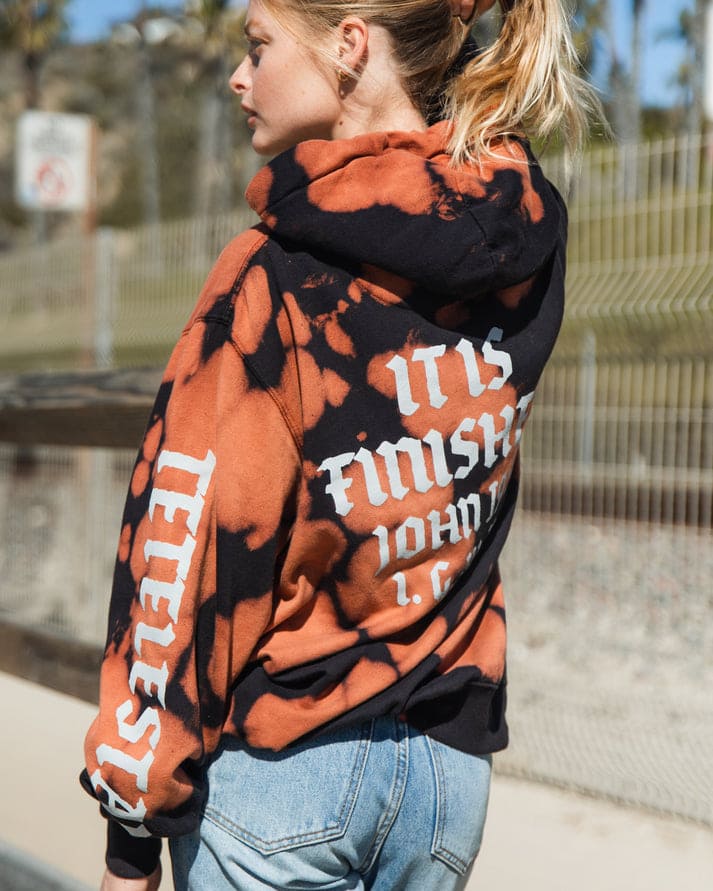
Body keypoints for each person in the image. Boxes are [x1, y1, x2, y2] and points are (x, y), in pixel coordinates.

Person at [81, 1, 600, 888]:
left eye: (258, 47)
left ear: (350, 46)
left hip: (283, 771)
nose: (239, 77)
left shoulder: (273, 275)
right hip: (446, 778)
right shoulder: (523, 242)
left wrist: (132, 827)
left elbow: (188, 545)